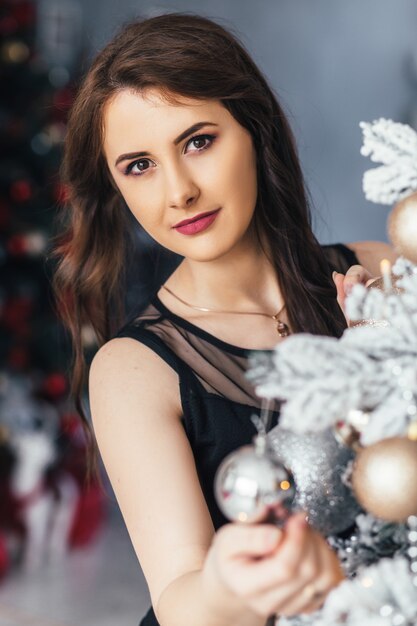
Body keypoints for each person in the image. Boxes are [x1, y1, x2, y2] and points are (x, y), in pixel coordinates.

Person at [53, 13, 397, 626]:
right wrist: (233, 581)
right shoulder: (135, 370)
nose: (178, 190)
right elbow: (184, 601)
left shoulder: (383, 275)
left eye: (197, 141)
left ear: (254, 129)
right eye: (139, 165)